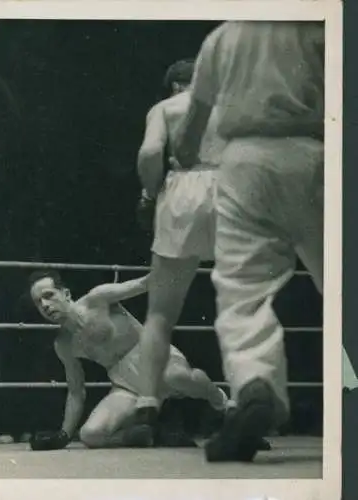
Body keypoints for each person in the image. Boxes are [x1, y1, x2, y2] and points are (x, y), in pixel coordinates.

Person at [172, 21, 324, 462]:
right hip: (320, 150)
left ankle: (255, 383)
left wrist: (183, 158)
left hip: (245, 160)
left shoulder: (223, 37)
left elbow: (189, 136)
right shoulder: (316, 23)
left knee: (242, 290)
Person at [127, 59, 232, 446]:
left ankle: (146, 406)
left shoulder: (166, 108)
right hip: (232, 190)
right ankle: (244, 406)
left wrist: (149, 193)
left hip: (183, 190)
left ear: (174, 86)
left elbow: (150, 153)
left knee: (159, 313)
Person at [27, 269, 230, 450]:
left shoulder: (99, 299)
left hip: (156, 360)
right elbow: (76, 391)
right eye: (38, 302)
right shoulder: (63, 343)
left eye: (48, 296)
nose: (45, 305)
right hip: (126, 385)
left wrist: (176, 266)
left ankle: (222, 404)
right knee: (91, 435)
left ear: (66, 294)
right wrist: (63, 435)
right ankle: (149, 435)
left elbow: (144, 283)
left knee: (177, 376)